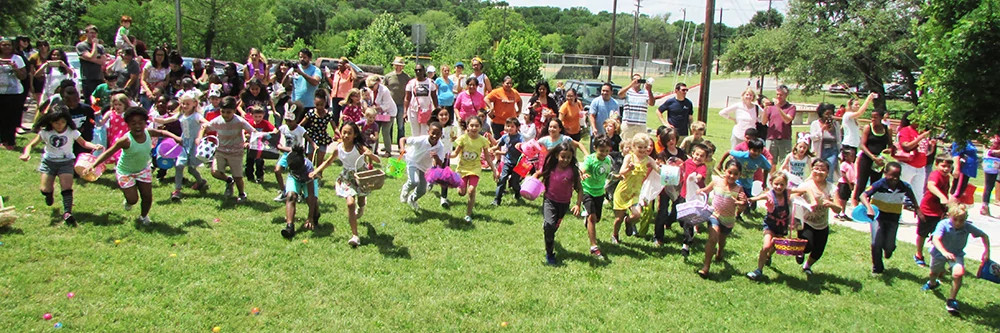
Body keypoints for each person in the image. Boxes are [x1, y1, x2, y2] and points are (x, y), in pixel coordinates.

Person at [87, 107, 181, 225]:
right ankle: (128, 201)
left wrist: (176, 138)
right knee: (133, 199)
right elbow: (109, 152)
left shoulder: (148, 132)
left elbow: (162, 132)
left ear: (145, 123)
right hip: (125, 172)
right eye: (133, 123)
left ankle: (143, 216)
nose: (137, 126)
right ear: (128, 125)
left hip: (143, 169)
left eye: (140, 123)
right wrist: (94, 164)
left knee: (147, 196)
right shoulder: (126, 140)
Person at [19, 110, 103, 225]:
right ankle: (49, 194)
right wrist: (26, 153)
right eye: (56, 123)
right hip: (49, 162)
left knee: (67, 187)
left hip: (66, 162)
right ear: (51, 122)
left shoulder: (72, 131)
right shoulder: (45, 132)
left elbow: (83, 143)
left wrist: (94, 146)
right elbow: (31, 145)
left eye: (62, 122)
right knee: (45, 189)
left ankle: (67, 213)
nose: (60, 125)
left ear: (67, 122)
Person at [311, 122, 381, 247]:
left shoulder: (359, 147)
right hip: (347, 178)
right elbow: (328, 162)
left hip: (361, 177)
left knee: (360, 201)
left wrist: (371, 155)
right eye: (344, 132)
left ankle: (362, 206)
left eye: (349, 133)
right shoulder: (338, 148)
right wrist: (316, 171)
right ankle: (355, 236)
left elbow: (378, 160)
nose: (346, 135)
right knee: (350, 204)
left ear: (355, 135)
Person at [922, 203, 991, 314]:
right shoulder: (943, 224)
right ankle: (932, 283)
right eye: (955, 220)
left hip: (956, 254)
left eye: (962, 220)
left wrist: (987, 252)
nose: (958, 223)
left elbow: (984, 236)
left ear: (966, 219)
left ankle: (952, 300)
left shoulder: (967, 227)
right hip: (939, 253)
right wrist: (944, 252)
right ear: (949, 216)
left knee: (958, 274)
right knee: (933, 273)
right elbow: (935, 239)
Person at [861, 162, 922, 274]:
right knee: (876, 242)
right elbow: (863, 195)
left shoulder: (904, 186)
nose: (894, 179)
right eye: (891, 175)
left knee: (889, 246)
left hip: (893, 217)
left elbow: (913, 198)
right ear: (885, 173)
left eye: (897, 176)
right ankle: (877, 268)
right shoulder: (879, 184)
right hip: (878, 216)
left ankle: (889, 249)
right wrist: (869, 208)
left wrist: (918, 210)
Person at [696, 159, 748, 278]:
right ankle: (706, 267)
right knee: (713, 238)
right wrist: (699, 191)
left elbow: (742, 206)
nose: (732, 176)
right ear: (725, 171)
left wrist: (741, 204)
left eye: (735, 174)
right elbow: (706, 190)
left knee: (722, 240)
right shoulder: (716, 182)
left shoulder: (739, 189)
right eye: (730, 172)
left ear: (740, 175)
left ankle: (720, 252)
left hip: (728, 220)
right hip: (714, 215)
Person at [534, 142, 583, 266]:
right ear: (556, 155)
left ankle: (548, 229)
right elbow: (538, 174)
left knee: (553, 228)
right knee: (549, 225)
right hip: (549, 200)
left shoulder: (572, 171)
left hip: (564, 204)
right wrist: (532, 182)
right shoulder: (550, 167)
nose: (565, 160)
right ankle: (550, 254)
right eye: (563, 156)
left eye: (568, 157)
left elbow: (579, 189)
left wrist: (577, 204)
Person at [154, 92, 209, 200]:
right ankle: (177, 190)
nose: (184, 106)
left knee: (191, 168)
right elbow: (168, 120)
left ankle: (201, 181)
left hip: (194, 144)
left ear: (194, 103)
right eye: (183, 104)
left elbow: (205, 123)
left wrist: (202, 130)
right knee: (179, 165)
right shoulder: (181, 114)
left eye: (187, 104)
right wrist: (158, 120)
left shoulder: (196, 116)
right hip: (183, 143)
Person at [200, 96, 256, 203]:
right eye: (223, 111)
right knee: (215, 172)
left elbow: (253, 131)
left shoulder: (239, 121)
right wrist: (201, 138)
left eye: (228, 112)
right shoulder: (217, 120)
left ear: (234, 111)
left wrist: (249, 140)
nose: (225, 115)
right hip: (220, 151)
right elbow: (205, 127)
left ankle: (241, 193)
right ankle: (229, 181)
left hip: (236, 152)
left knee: (238, 177)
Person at [794, 159, 843, 274]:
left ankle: (807, 266)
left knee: (818, 250)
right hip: (806, 222)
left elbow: (839, 208)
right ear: (812, 170)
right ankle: (800, 251)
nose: (819, 171)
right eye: (816, 168)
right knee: (807, 246)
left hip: (822, 224)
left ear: (827, 173)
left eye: (823, 169)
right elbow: (793, 197)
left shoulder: (832, 188)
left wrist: (831, 204)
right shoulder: (806, 185)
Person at [745, 174, 795, 281]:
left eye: (782, 184)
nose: (779, 187)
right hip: (770, 224)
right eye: (776, 184)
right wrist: (749, 199)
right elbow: (756, 198)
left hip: (782, 226)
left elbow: (803, 190)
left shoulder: (788, 193)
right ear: (771, 183)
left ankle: (768, 256)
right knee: (766, 245)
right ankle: (758, 270)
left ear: (786, 185)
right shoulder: (769, 195)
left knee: (776, 245)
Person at [611, 134, 657, 244]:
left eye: (645, 147)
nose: (643, 150)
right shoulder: (629, 157)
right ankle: (615, 235)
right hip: (623, 191)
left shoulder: (649, 159)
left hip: (636, 192)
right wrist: (629, 168)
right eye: (640, 147)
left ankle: (628, 221)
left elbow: (658, 169)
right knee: (618, 219)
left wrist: (670, 173)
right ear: (633, 146)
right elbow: (621, 172)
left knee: (637, 215)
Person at [451, 116, 495, 223]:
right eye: (472, 125)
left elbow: (488, 156)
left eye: (477, 126)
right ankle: (460, 187)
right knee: (462, 193)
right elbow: (455, 153)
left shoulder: (483, 141)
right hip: (462, 169)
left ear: (480, 127)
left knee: (471, 190)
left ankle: (468, 214)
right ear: (468, 127)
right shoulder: (463, 139)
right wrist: (447, 156)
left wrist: (494, 169)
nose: (474, 128)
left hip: (475, 169)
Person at [398, 122, 446, 211]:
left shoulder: (440, 146)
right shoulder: (421, 140)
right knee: (414, 181)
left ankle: (412, 199)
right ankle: (405, 189)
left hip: (424, 168)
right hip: (413, 161)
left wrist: (436, 157)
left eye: (438, 134)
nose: (435, 136)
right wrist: (402, 149)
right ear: (428, 132)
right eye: (433, 133)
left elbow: (440, 163)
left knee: (422, 190)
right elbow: (403, 139)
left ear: (441, 134)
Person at [915, 155, 953, 266]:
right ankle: (918, 254)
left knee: (938, 235)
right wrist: (942, 197)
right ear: (936, 165)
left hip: (938, 211)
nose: (946, 169)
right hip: (927, 210)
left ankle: (936, 257)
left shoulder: (947, 177)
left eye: (949, 167)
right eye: (943, 166)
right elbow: (931, 185)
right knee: (922, 234)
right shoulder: (935, 174)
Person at [653, 127, 688, 247]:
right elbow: (659, 168)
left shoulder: (681, 153)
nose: (671, 142)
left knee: (677, 210)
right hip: (665, 188)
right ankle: (658, 237)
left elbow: (686, 165)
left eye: (673, 139)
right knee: (662, 211)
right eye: (668, 140)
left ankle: (669, 221)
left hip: (678, 187)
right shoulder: (662, 154)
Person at [581, 135, 615, 259]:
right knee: (592, 217)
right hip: (587, 191)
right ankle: (594, 247)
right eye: (601, 151)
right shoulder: (590, 159)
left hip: (599, 192)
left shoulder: (608, 160)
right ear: (595, 148)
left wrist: (617, 177)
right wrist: (583, 175)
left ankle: (588, 221)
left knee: (597, 219)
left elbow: (607, 174)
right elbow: (583, 170)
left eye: (606, 151)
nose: (604, 153)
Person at [852, 109, 893, 205]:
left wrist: (889, 150)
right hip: (867, 158)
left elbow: (890, 144)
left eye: (876, 117)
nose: (873, 119)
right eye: (872, 117)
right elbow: (862, 145)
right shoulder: (868, 128)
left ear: (881, 118)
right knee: (861, 183)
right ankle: (856, 203)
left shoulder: (887, 129)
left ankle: (869, 204)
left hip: (879, 160)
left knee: (875, 184)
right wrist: (872, 156)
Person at [279, 146, 320, 239]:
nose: (295, 171)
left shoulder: (309, 168)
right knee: (290, 196)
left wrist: (310, 218)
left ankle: (315, 215)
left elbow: (311, 195)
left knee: (310, 200)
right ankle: (290, 227)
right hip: (294, 179)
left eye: (297, 170)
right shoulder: (291, 158)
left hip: (308, 179)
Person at [272, 106, 309, 202]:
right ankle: (283, 191)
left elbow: (308, 139)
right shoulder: (283, 128)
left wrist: (313, 147)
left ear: (296, 120)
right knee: (277, 170)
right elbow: (275, 133)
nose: (288, 123)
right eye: (286, 121)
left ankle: (300, 192)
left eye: (290, 121)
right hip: (286, 154)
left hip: (297, 156)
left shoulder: (300, 129)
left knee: (297, 175)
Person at [896, 113, 933, 203]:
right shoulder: (905, 130)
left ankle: (919, 215)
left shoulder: (922, 131)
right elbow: (906, 146)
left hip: (920, 167)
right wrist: (921, 137)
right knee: (900, 192)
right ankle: (896, 215)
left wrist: (931, 146)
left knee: (919, 195)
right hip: (907, 165)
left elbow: (925, 152)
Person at [0, 38, 28, 150]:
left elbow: (23, 76)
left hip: (14, 92)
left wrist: (15, 68)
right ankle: (3, 140)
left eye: (8, 45)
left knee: (11, 117)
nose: (6, 47)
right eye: (3, 45)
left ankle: (11, 141)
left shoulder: (18, 58)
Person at [491, 118, 523, 206]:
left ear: (517, 127)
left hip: (517, 164)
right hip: (507, 162)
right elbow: (497, 145)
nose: (509, 128)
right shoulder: (505, 137)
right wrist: (490, 150)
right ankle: (496, 200)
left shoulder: (520, 137)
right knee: (502, 180)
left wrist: (520, 145)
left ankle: (517, 192)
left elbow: (524, 146)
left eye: (512, 126)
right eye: (508, 126)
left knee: (514, 183)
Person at [299, 89, 336, 166]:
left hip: (323, 138)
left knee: (320, 159)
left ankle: (318, 174)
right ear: (314, 103)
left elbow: (334, 128)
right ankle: (308, 173)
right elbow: (301, 125)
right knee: (309, 159)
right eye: (317, 104)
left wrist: (339, 134)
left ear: (325, 103)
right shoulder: (311, 113)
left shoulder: (329, 114)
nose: (319, 107)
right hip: (311, 138)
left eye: (321, 104)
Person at [244, 106, 278, 183]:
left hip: (260, 147)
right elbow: (245, 133)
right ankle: (250, 177)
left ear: (263, 115)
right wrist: (247, 140)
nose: (258, 118)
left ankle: (259, 176)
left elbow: (275, 130)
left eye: (260, 116)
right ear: (252, 115)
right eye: (256, 116)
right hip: (251, 146)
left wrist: (270, 133)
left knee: (259, 162)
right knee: (249, 162)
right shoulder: (250, 123)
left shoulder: (265, 123)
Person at [762, 85, 797, 160]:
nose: (778, 96)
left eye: (781, 95)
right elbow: (763, 122)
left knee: (784, 162)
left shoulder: (791, 107)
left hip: (785, 138)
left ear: (786, 95)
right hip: (771, 139)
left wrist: (778, 107)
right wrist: (765, 109)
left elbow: (787, 120)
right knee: (770, 162)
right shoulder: (771, 107)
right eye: (777, 94)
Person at [809, 103, 840, 183]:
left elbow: (838, 138)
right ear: (821, 113)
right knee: (818, 170)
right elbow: (813, 137)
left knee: (830, 171)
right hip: (820, 150)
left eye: (831, 114)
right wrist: (822, 129)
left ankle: (828, 189)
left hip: (832, 150)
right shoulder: (815, 124)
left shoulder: (836, 124)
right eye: (827, 114)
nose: (829, 116)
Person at [617, 74, 655, 140]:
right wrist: (631, 85)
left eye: (639, 80)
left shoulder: (645, 92)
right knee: (626, 144)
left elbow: (651, 103)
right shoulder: (628, 92)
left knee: (640, 143)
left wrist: (649, 90)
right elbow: (620, 94)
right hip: (628, 123)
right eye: (635, 79)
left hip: (641, 124)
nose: (637, 81)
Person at [404, 64, 438, 137]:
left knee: (425, 132)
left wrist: (437, 109)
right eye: (416, 70)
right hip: (414, 110)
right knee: (415, 132)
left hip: (426, 111)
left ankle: (424, 148)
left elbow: (434, 97)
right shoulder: (411, 83)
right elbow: (407, 98)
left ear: (424, 71)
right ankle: (417, 148)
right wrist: (405, 112)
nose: (418, 72)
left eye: (420, 70)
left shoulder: (430, 82)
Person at [75, 25, 106, 100]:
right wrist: (94, 45)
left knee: (99, 100)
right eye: (91, 33)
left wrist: (91, 59)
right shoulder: (81, 46)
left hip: (99, 77)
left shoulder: (100, 47)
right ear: (86, 34)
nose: (93, 35)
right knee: (89, 100)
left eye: (95, 33)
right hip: (88, 78)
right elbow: (91, 56)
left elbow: (103, 62)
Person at [384, 57, 411, 144]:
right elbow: (384, 88)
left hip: (401, 104)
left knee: (400, 126)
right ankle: (388, 143)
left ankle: (400, 144)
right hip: (390, 104)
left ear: (402, 67)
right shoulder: (388, 76)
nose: (398, 67)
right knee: (389, 125)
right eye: (396, 65)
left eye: (400, 65)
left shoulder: (406, 77)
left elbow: (409, 91)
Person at [326, 57, 357, 125]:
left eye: (341, 63)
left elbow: (355, 77)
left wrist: (350, 68)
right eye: (338, 63)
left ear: (345, 65)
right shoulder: (337, 73)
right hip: (335, 97)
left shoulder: (349, 74)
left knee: (345, 116)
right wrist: (328, 77)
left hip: (344, 98)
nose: (339, 65)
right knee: (335, 117)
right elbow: (334, 84)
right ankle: (336, 133)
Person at [834, 148, 857, 220]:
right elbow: (844, 174)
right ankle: (840, 212)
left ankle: (843, 212)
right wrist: (849, 184)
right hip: (844, 183)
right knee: (842, 199)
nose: (853, 157)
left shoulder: (852, 164)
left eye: (854, 155)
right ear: (846, 156)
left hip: (849, 183)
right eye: (851, 155)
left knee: (846, 198)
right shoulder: (844, 164)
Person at [982, 135, 1000, 216]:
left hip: (994, 161)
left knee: (989, 185)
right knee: (989, 185)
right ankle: (985, 207)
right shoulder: (994, 137)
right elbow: (989, 150)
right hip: (992, 162)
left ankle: (985, 206)